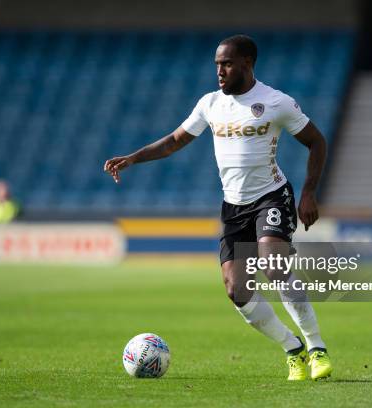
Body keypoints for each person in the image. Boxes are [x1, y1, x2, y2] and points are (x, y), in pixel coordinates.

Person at [104, 34, 332, 380]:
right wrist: (134, 158)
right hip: (233, 206)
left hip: (271, 196)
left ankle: (317, 348)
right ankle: (293, 349)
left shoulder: (275, 102)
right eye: (217, 65)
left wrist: (309, 193)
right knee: (236, 290)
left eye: (226, 64)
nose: (220, 72)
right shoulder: (210, 103)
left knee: (274, 266)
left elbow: (316, 141)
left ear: (247, 63)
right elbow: (174, 141)